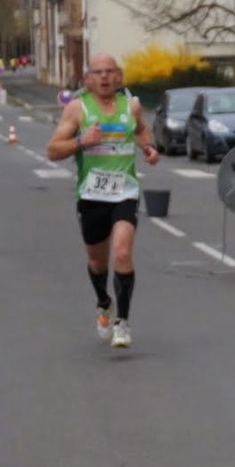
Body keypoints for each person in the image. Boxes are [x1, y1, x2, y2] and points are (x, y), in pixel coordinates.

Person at [46, 52, 158, 349]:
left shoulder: (131, 106)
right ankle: (103, 301)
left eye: (110, 71)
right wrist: (82, 141)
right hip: (92, 195)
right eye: (98, 72)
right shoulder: (76, 110)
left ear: (119, 76)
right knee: (97, 262)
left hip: (125, 191)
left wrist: (148, 149)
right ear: (88, 79)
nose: (105, 77)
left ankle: (122, 322)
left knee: (121, 252)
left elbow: (142, 130)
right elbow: (53, 150)